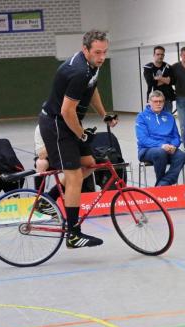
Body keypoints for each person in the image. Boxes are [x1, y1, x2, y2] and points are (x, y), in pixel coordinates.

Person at [38, 29, 118, 249]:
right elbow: (66, 112)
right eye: (98, 53)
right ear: (86, 50)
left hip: (67, 123)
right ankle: (73, 234)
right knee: (74, 177)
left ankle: (48, 201)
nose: (102, 57)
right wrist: (81, 134)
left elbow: (92, 89)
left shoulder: (92, 65)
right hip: (56, 125)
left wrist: (104, 115)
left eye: (105, 52)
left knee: (89, 164)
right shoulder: (79, 71)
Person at [136, 90, 185, 186]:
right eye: (155, 101)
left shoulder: (169, 116)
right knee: (160, 152)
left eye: (161, 101)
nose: (158, 104)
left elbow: (176, 136)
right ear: (149, 102)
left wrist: (173, 145)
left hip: (168, 148)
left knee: (182, 156)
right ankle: (162, 185)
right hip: (148, 150)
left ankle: (163, 184)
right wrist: (162, 145)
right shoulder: (141, 117)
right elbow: (143, 139)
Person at [143, 45, 175, 112]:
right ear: (154, 55)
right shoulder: (148, 68)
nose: (160, 56)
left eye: (162, 54)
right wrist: (165, 79)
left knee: (167, 120)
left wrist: (158, 78)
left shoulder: (168, 67)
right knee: (153, 121)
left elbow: (172, 81)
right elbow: (150, 82)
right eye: (158, 54)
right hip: (153, 99)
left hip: (167, 99)